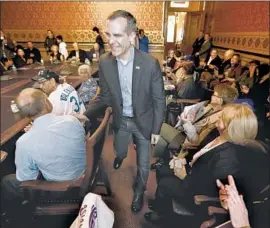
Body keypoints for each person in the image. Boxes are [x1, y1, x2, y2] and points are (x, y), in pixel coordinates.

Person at [85, 10, 166, 213]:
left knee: (144, 165)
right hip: (121, 121)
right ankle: (120, 156)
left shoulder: (149, 64)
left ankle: (139, 191)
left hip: (144, 123)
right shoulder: (104, 62)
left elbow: (159, 99)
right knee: (119, 150)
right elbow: (104, 97)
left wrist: (156, 130)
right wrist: (84, 114)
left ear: (131, 36)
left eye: (117, 35)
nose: (111, 41)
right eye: (108, 35)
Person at [144, 104, 269, 226]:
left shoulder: (227, 159)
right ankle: (160, 203)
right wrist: (184, 160)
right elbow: (200, 152)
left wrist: (184, 176)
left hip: (195, 191)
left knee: (165, 183)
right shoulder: (217, 135)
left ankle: (163, 215)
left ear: (230, 127)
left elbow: (206, 187)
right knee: (162, 168)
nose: (218, 117)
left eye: (222, 117)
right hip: (193, 171)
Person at [1, 88, 86, 218]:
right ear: (47, 102)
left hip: (62, 188)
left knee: (7, 181)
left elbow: (26, 179)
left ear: (26, 115)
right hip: (83, 172)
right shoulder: (72, 120)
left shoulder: (24, 142)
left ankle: (16, 216)